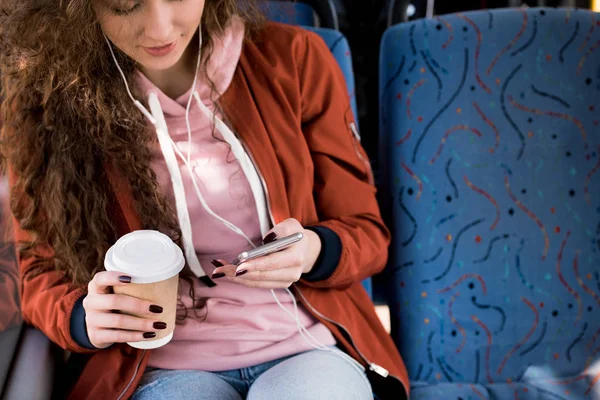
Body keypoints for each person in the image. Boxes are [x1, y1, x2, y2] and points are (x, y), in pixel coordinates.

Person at [0, 1, 408, 399]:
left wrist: (312, 251)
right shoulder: (46, 100)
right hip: (161, 365)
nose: (159, 29)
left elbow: (367, 233)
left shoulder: (296, 60)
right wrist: (83, 318)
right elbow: (40, 270)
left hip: (304, 345)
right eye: (125, 6)